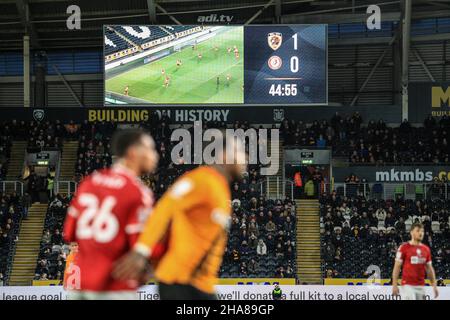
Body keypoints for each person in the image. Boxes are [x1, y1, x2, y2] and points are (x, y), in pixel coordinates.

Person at [113, 135, 247, 300]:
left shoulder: (220, 189)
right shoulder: (200, 180)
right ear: (224, 155)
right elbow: (164, 209)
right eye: (239, 151)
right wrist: (142, 250)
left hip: (200, 284)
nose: (245, 157)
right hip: (179, 282)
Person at [63, 129, 159, 300]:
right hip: (114, 287)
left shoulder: (89, 182)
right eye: (150, 149)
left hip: (81, 285)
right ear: (133, 153)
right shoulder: (138, 193)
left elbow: (70, 232)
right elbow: (143, 247)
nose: (155, 155)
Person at [392, 222, 439, 300]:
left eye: (422, 231)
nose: (420, 233)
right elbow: (397, 267)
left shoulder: (426, 249)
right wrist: (394, 285)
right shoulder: (404, 247)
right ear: (411, 232)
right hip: (407, 285)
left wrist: (434, 285)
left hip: (421, 286)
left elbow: (429, 269)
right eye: (418, 231)